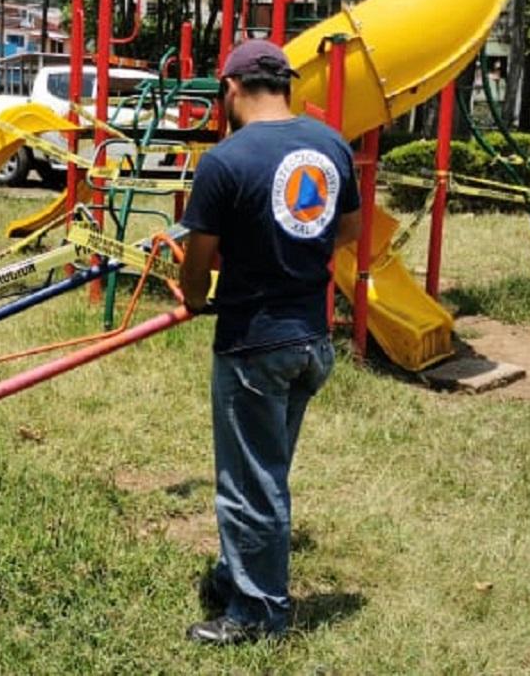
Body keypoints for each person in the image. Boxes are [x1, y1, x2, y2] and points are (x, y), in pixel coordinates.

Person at [178, 39, 362, 646]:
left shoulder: (225, 161)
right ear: (287, 85)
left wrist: (197, 297)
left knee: (250, 485)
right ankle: (238, 574)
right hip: (312, 339)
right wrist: (296, 257)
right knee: (268, 470)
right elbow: (352, 227)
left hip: (254, 344)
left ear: (231, 89)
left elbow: (198, 258)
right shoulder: (332, 144)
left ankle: (258, 617)